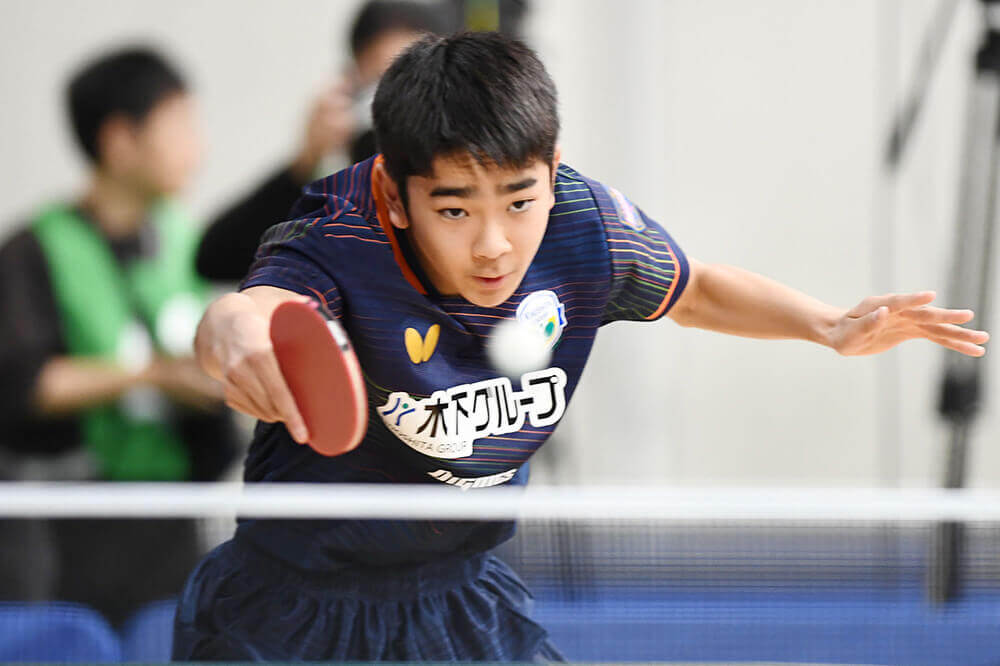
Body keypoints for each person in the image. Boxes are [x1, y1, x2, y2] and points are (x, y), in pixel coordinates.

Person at [173, 32, 989, 661]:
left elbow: (695, 290)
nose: (494, 244)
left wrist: (826, 325)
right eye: (455, 210)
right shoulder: (337, 237)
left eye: (518, 201)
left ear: (553, 170)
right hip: (293, 608)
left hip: (460, 598)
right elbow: (255, 310)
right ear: (393, 191)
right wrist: (232, 330)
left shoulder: (585, 226)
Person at [0, 47, 237, 625]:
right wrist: (152, 375)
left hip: (169, 528)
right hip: (65, 534)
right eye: (178, 125)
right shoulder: (34, 250)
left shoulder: (185, 240)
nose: (197, 147)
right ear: (120, 140)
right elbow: (23, 384)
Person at [195, 0, 450, 282]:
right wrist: (307, 160)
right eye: (379, 85)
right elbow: (216, 259)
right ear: (352, 89)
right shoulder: (342, 199)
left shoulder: (471, 183)